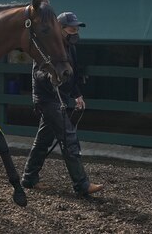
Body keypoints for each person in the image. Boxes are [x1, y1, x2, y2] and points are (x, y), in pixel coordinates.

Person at [21, 11, 103, 196]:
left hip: (60, 98)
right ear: (60, 29)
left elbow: (72, 73)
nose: (75, 32)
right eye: (71, 28)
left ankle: (28, 178)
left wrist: (77, 95)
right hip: (46, 99)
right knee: (69, 138)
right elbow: (37, 74)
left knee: (43, 141)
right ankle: (82, 185)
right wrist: (50, 75)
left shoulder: (70, 48)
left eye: (76, 29)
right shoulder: (47, 46)